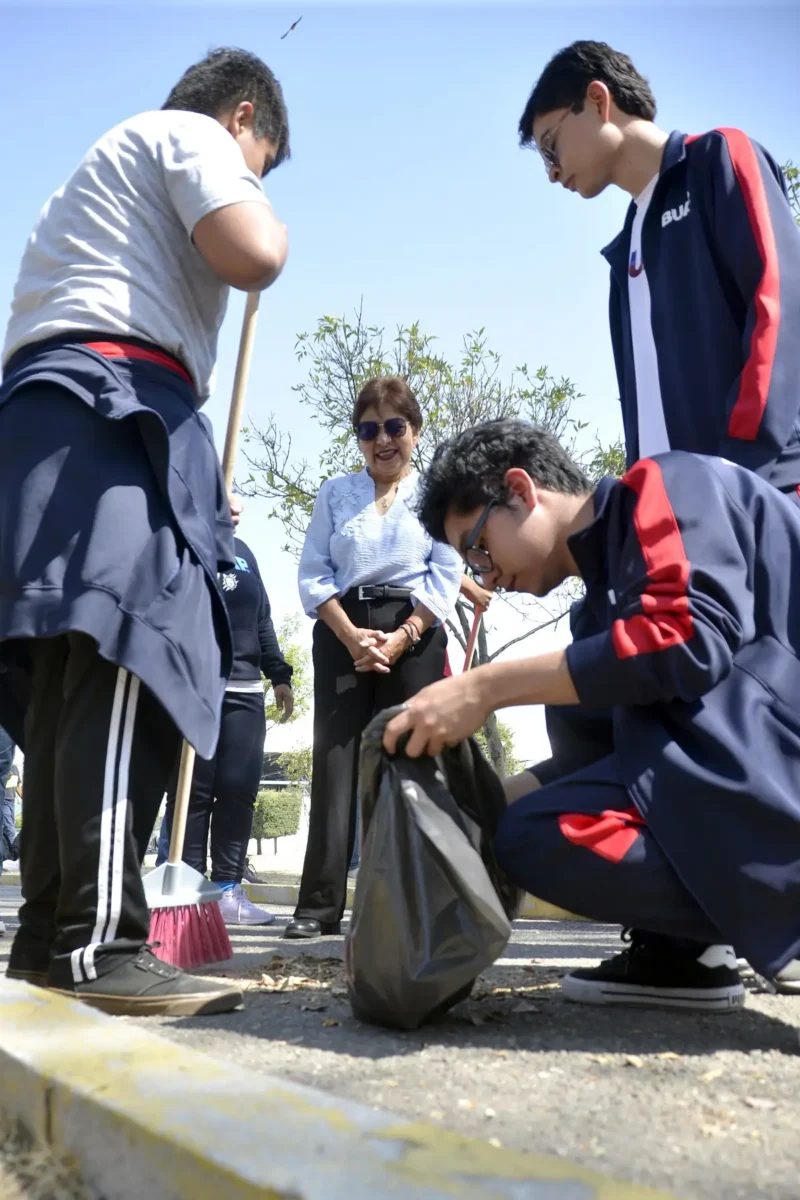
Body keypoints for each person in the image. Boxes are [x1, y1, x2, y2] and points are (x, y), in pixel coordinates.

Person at [0, 48, 290, 1015]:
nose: (251, 178)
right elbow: (257, 253)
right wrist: (263, 209)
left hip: (56, 408)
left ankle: (48, 941)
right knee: (130, 650)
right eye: (262, 161)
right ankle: (103, 947)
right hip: (116, 396)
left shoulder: (103, 178)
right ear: (243, 117)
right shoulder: (190, 134)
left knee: (71, 677)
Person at [517, 39, 800, 992]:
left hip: (753, 507)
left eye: (552, 145)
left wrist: (750, 485)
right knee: (610, 662)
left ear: (600, 103)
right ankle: (678, 944)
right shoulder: (624, 247)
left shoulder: (721, 158)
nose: (551, 173)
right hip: (673, 526)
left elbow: (776, 309)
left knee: (751, 715)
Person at [384, 419, 800, 1011]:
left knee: (533, 832)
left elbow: (685, 640)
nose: (488, 577)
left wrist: (485, 689)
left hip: (781, 754)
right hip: (749, 765)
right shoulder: (599, 610)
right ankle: (685, 952)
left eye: (478, 547)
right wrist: (469, 812)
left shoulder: (666, 486)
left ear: (522, 490)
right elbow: (597, 762)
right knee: (524, 833)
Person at [285, 376, 463, 939]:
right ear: (358, 438)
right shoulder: (335, 493)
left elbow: (447, 571)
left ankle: (409, 903)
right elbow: (314, 572)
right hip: (342, 632)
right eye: (368, 430)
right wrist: (349, 635)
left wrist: (404, 634)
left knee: (409, 761)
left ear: (414, 430)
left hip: (414, 631)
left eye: (393, 427)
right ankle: (318, 907)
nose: (382, 440)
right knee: (335, 765)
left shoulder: (437, 494)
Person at [159, 511, 294, 925]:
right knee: (193, 792)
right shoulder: (178, 542)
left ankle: (228, 891)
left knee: (239, 790)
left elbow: (262, 620)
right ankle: (191, 890)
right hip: (195, 686)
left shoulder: (246, 554)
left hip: (245, 691)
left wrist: (279, 675)